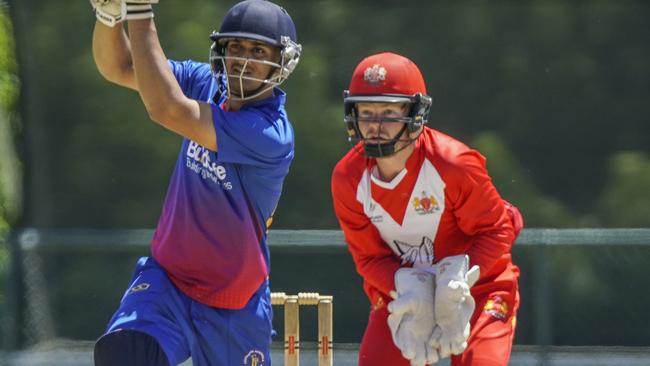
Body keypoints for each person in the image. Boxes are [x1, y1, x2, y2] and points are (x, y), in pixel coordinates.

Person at [90, 0, 301, 365]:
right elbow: (120, 67)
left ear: (281, 63)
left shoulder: (269, 133)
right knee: (123, 356)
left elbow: (167, 108)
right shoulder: (206, 82)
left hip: (233, 301)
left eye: (258, 51)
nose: (243, 59)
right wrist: (110, 16)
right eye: (235, 47)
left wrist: (140, 10)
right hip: (168, 281)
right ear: (220, 50)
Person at [331, 52, 524, 366]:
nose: (375, 125)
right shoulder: (347, 178)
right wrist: (406, 287)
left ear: (415, 114)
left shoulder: (453, 163)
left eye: (389, 113)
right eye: (366, 112)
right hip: (407, 290)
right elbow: (368, 258)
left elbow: (499, 228)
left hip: (478, 284)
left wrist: (461, 278)